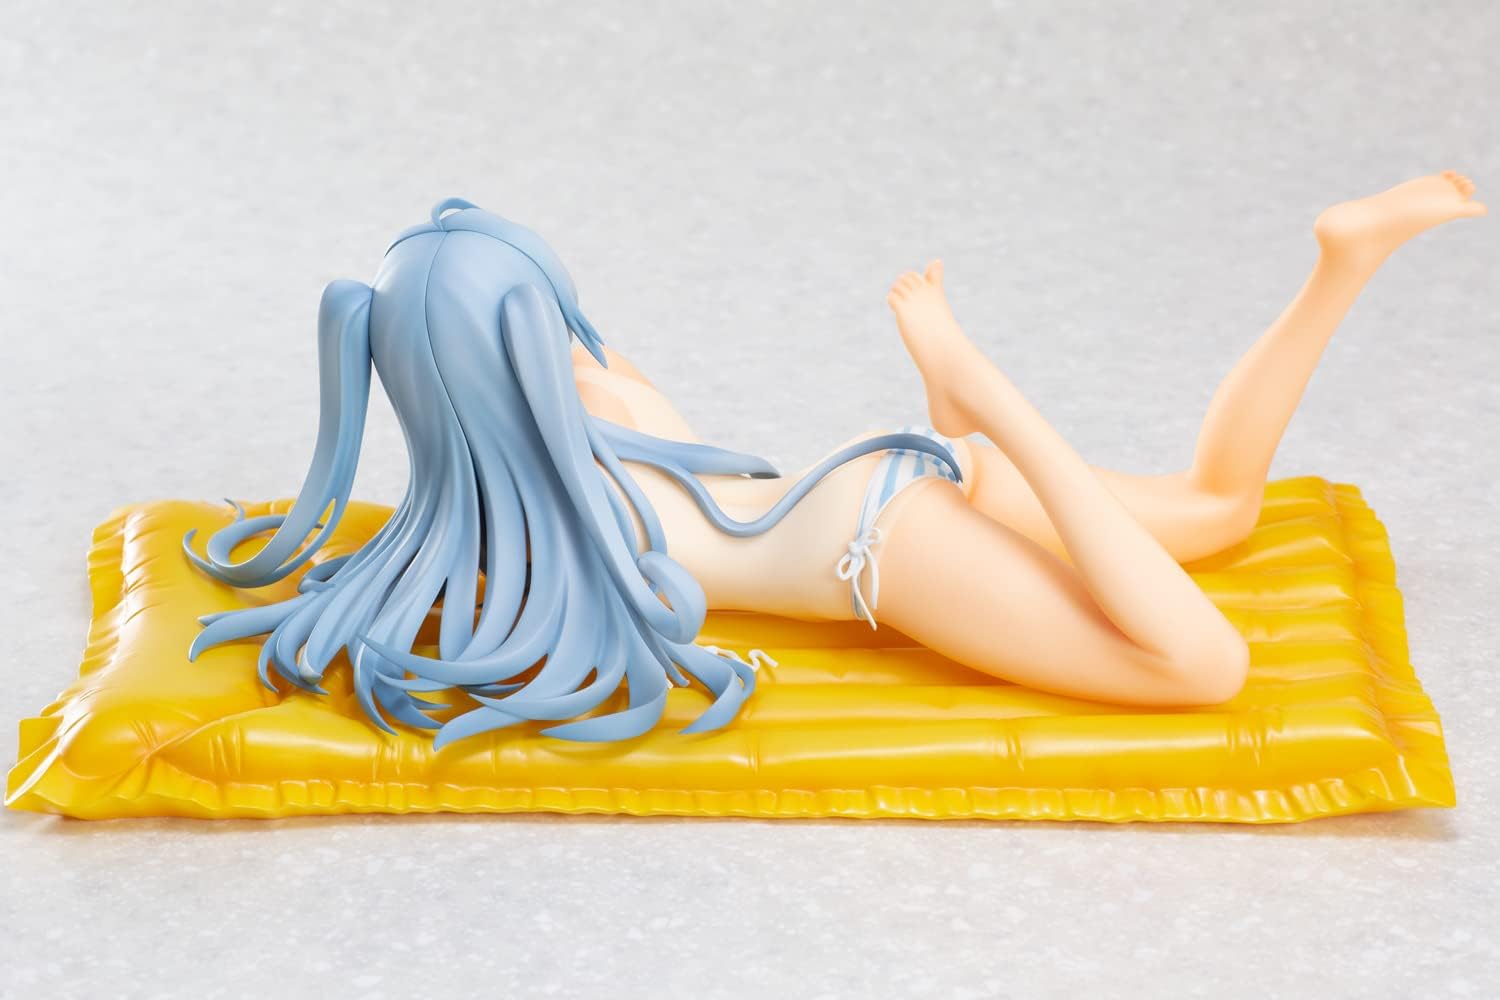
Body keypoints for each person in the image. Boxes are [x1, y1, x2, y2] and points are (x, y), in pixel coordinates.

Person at [186, 175, 1484, 746]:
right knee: (1223, 506)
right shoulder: (603, 388)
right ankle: (1342, 259)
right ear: (541, 326)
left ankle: (982, 387)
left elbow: (480, 630)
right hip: (891, 476)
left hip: (884, 551)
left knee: (1205, 667)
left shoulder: (519, 530)